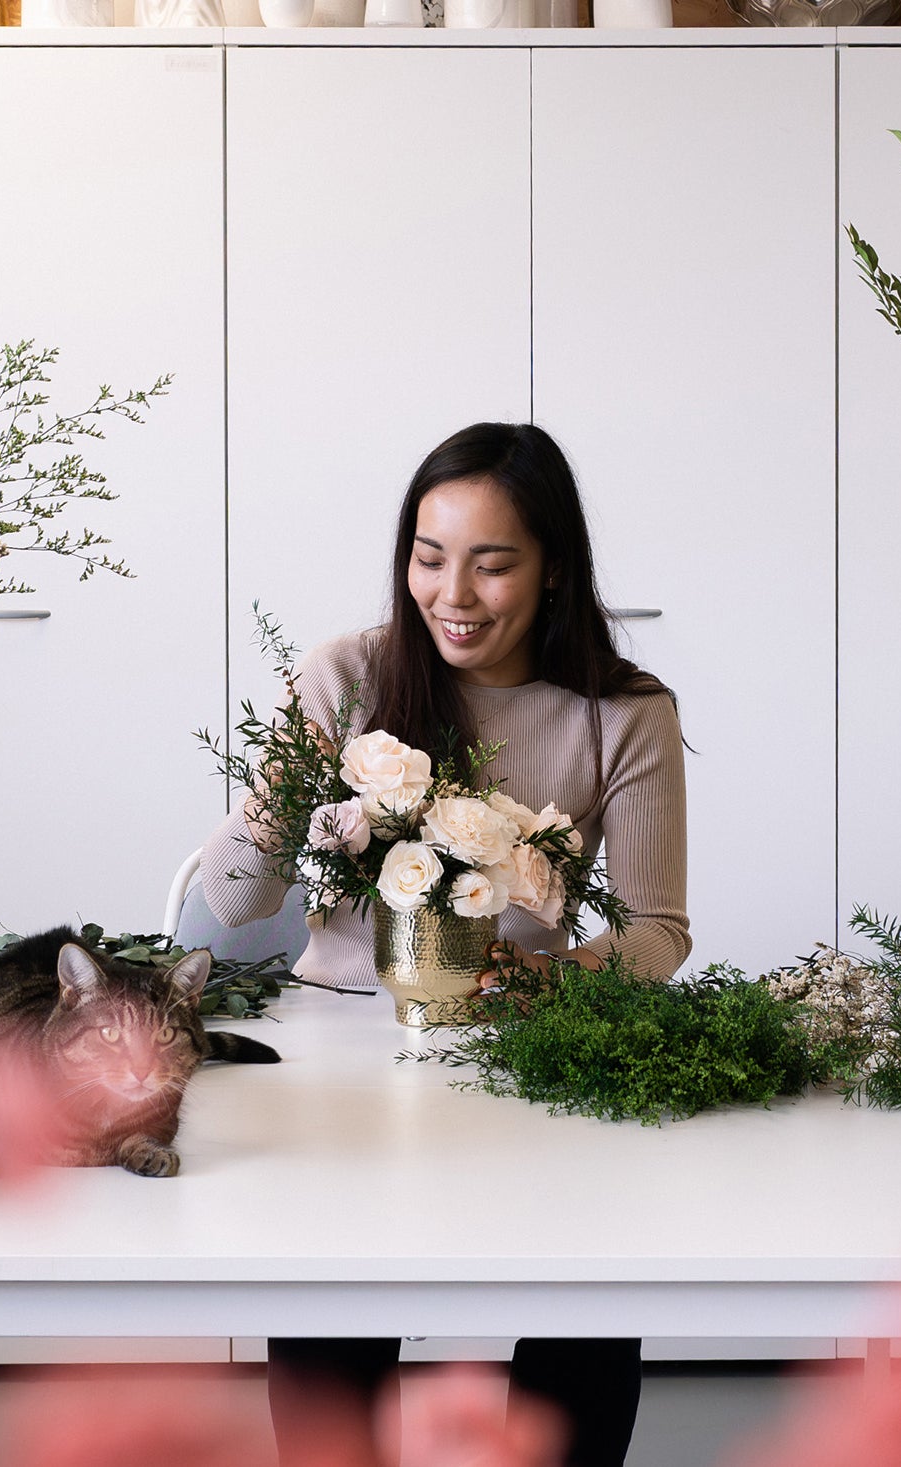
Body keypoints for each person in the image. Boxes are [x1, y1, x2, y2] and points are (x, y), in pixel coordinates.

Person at [199, 421, 690, 1467]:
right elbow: (237, 905)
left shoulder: (624, 714)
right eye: (429, 559)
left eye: (492, 563)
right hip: (338, 1053)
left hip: (521, 1048)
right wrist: (294, 790)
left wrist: (542, 979)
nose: (453, 595)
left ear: (554, 570)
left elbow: (656, 933)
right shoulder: (350, 673)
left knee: (591, 1292)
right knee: (331, 1301)